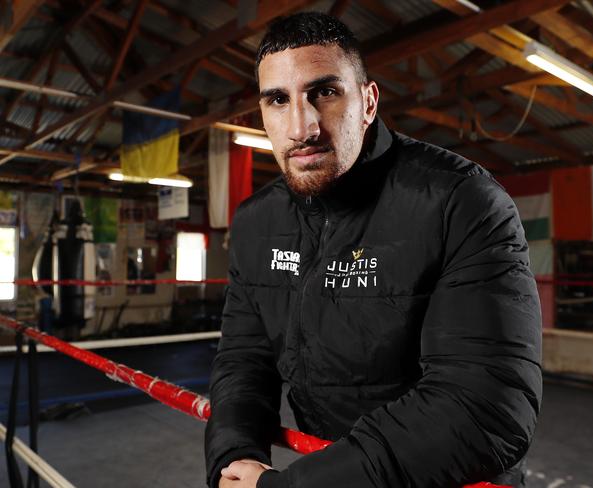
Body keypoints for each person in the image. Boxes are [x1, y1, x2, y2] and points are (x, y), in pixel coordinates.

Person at [205, 12, 542, 488]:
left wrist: (294, 485)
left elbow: (486, 406)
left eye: (324, 92)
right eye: (278, 100)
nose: (302, 127)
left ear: (368, 101)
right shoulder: (257, 221)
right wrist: (233, 453)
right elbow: (243, 357)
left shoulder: (460, 200)